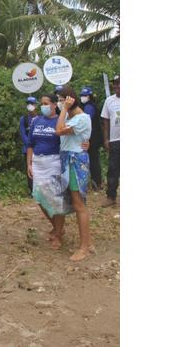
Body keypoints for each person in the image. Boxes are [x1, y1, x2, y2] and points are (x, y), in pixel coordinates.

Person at [26, 94, 72, 248]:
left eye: (46, 103)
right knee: (39, 197)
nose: (43, 106)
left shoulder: (60, 120)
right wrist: (29, 163)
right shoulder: (36, 121)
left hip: (53, 162)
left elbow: (70, 138)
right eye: (42, 103)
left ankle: (58, 234)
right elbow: (30, 144)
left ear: (54, 105)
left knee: (55, 200)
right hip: (38, 162)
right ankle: (57, 226)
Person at [56, 87, 93, 261]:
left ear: (69, 100)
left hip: (74, 161)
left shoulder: (81, 118)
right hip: (67, 159)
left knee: (79, 204)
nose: (59, 103)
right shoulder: (74, 118)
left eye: (61, 100)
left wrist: (63, 110)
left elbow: (59, 130)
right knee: (76, 202)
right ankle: (86, 243)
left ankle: (84, 247)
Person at [101, 75, 121, 207]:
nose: (117, 86)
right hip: (116, 140)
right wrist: (106, 138)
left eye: (120, 83)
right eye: (115, 83)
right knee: (113, 169)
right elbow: (105, 120)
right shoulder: (109, 101)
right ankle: (111, 196)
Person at [80, 87, 104, 191]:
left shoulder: (89, 107)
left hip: (92, 138)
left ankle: (96, 183)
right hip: (92, 137)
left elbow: (85, 120)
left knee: (92, 160)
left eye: (85, 96)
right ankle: (95, 182)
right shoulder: (88, 106)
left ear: (89, 97)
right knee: (93, 160)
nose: (83, 97)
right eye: (82, 95)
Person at [18, 96, 38, 191]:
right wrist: (30, 145)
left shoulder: (40, 118)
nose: (30, 106)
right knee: (30, 169)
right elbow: (23, 134)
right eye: (28, 104)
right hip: (27, 149)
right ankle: (31, 189)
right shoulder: (24, 119)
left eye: (32, 104)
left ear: (36, 105)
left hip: (39, 148)